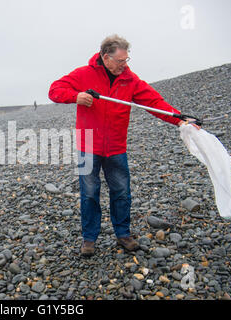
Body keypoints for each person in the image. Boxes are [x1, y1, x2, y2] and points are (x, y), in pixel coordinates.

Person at [48, 34, 199, 256]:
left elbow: (154, 103)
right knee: (89, 193)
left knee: (121, 192)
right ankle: (89, 239)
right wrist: (76, 96)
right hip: (87, 145)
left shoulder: (130, 80)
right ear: (105, 57)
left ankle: (123, 234)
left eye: (126, 60)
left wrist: (180, 119)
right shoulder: (83, 74)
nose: (124, 65)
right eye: (120, 61)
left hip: (116, 147)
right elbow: (54, 90)